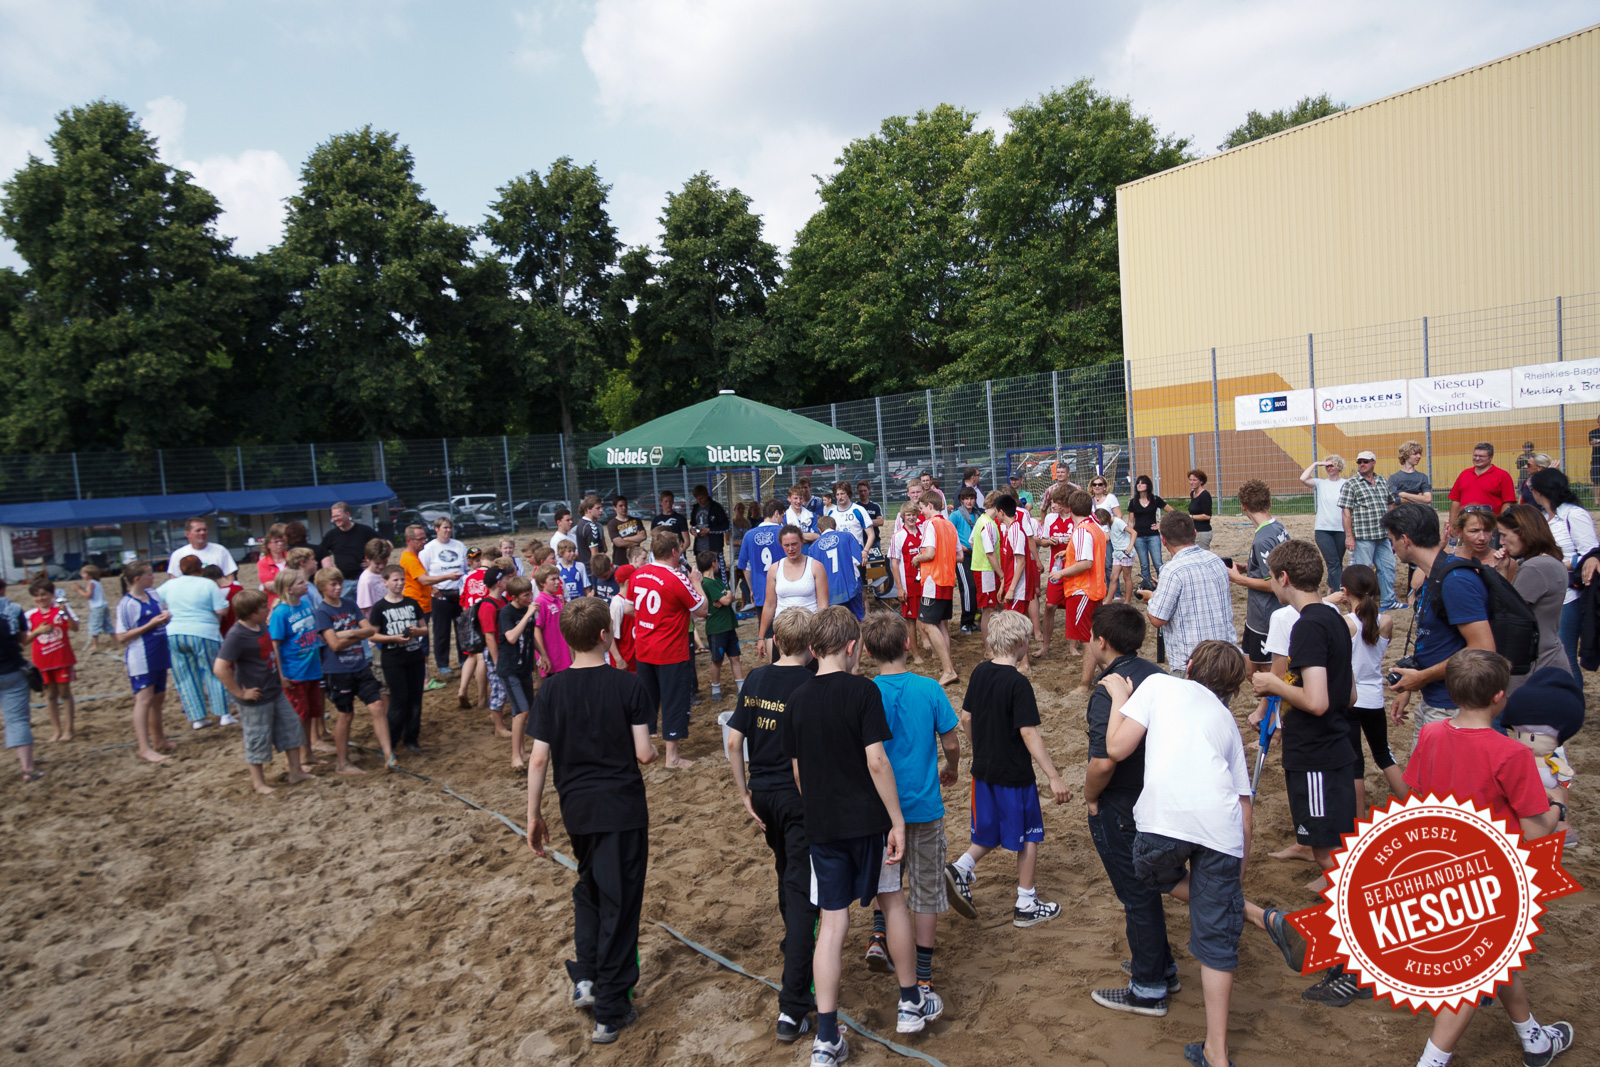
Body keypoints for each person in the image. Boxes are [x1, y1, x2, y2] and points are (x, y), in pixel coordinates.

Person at [783, 607, 941, 1067]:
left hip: (824, 826)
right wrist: (896, 820)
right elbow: (877, 761)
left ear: (813, 649)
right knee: (891, 902)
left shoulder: (797, 700)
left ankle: (826, 1036)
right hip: (869, 822)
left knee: (832, 925)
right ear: (853, 648)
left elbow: (797, 771)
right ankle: (910, 1001)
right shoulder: (863, 691)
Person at [1402, 650, 1571, 1067]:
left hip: (1443, 863)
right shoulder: (1510, 754)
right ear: (1500, 696)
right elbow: (1536, 830)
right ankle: (1432, 1061)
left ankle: (1534, 1039)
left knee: (1497, 956)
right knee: (1480, 970)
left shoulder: (1432, 734)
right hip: (1491, 874)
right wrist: (1559, 801)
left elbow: (1417, 799)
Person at [1102, 641, 1260, 1067]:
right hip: (1221, 827)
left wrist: (1121, 697)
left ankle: (1239, 908)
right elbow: (1245, 807)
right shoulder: (1226, 721)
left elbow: (1117, 748)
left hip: (1165, 820)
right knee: (1216, 941)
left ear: (1188, 665)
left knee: (1148, 872)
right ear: (1231, 687)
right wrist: (1238, 868)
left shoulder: (1159, 685)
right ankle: (1217, 1051)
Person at [526, 596, 657, 1046]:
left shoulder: (552, 690)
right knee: (619, 902)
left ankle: (586, 975)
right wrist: (653, 750)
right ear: (606, 636)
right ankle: (611, 1007)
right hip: (619, 807)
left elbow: (539, 758)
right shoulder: (628, 686)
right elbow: (643, 752)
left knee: (590, 886)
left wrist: (533, 814)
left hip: (576, 807)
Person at [1248, 540, 1360, 927]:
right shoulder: (1334, 618)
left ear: (1284, 578)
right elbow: (1349, 693)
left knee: (1327, 852)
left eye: (1272, 578)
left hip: (1316, 754)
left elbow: (1316, 701)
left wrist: (1272, 686)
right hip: (1335, 746)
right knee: (1334, 847)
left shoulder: (1307, 626)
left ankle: (1359, 928)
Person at [944, 610, 1071, 927]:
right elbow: (1028, 733)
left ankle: (961, 866)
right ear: (1019, 643)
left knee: (990, 829)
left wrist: (978, 747)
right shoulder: (1018, 684)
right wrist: (1053, 776)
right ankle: (1026, 901)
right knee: (1029, 834)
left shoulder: (979, 672)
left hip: (983, 771)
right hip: (1014, 775)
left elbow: (966, 718)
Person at [725, 607, 817, 1042]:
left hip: (764, 793)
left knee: (786, 871)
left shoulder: (757, 680)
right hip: (798, 797)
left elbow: (734, 739)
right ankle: (793, 1005)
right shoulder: (811, 682)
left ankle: (794, 944)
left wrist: (744, 793)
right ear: (811, 646)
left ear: (776, 641)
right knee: (802, 891)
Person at [1080, 603, 1175, 1017]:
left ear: (1101, 642)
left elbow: (1103, 761)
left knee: (1137, 895)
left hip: (1121, 802)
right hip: (1156, 795)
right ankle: (1160, 966)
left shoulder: (1110, 689)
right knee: (1146, 890)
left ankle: (1149, 988)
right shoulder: (1160, 677)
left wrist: (1089, 797)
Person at [863, 610, 961, 1001]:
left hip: (881, 808)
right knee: (925, 889)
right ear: (907, 644)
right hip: (922, 806)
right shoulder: (930, 689)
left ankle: (877, 935)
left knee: (887, 882)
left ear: (868, 651)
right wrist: (950, 767)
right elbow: (951, 742)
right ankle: (923, 976)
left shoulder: (866, 693)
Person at [1380, 503, 1497, 739]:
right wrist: (1412, 683)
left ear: (1405, 539)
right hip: (1434, 700)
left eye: (1392, 540)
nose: (1392, 547)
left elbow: (1483, 648)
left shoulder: (1455, 580)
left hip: (1453, 706)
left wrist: (1422, 677)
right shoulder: (1436, 575)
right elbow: (1436, 640)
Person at [1323, 564, 1408, 813]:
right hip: (1373, 696)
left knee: (1355, 763)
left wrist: (1330, 601)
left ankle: (1359, 821)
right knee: (1384, 755)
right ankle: (1415, 806)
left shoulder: (1345, 623)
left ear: (1345, 591)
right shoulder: (1386, 622)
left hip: (1350, 697)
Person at [214, 590, 315, 795]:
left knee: (292, 725)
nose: (267, 608)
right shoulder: (236, 635)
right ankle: (258, 783)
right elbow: (220, 668)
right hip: (256, 697)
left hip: (274, 688)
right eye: (262, 607)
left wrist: (279, 677)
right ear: (250, 613)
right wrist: (240, 693)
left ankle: (295, 771)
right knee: (257, 737)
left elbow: (270, 653)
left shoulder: (261, 626)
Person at [631, 529, 708, 769]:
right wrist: (697, 582)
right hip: (670, 651)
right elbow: (702, 609)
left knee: (648, 698)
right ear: (674, 552)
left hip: (644, 647)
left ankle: (644, 744)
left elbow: (634, 607)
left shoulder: (639, 573)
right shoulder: (677, 578)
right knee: (675, 701)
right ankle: (672, 757)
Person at [312, 567, 391, 772]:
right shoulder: (322, 612)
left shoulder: (348, 603)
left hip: (360, 665)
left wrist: (347, 633)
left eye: (339, 583)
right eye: (333, 585)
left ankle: (389, 755)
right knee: (345, 715)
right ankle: (342, 762)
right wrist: (357, 634)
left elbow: (370, 630)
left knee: (377, 706)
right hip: (338, 671)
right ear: (322, 588)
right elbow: (334, 646)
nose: (338, 588)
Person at [1138, 512, 1236, 675]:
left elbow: (1157, 619)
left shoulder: (1172, 570)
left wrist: (1151, 598)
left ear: (1163, 540)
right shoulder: (1215, 560)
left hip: (1193, 662)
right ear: (1195, 534)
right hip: (1226, 657)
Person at [1492, 504, 1574, 692]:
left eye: (1504, 535)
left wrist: (1498, 575)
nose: (1501, 542)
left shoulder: (1534, 568)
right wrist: (1504, 570)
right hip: (1549, 656)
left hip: (1534, 663)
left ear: (1522, 532)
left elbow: (1506, 614)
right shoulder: (1552, 561)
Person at [1527, 467, 1599, 676]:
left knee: (1564, 655)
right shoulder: (1543, 517)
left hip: (1568, 594)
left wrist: (1553, 563)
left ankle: (1572, 705)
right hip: (1544, 592)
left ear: (1540, 492)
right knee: (1546, 653)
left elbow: (1590, 555)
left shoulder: (1573, 515)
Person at [162, 555, 232, 730]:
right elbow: (222, 610)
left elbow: (157, 599)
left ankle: (197, 717)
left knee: (185, 676)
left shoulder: (170, 585)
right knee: (212, 672)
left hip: (175, 632)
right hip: (204, 631)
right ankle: (223, 713)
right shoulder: (207, 584)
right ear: (200, 568)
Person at [1228, 479, 1290, 671]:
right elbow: (1277, 566)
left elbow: (1273, 584)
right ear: (1269, 502)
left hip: (1265, 614)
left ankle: (1273, 703)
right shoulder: (1278, 528)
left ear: (1243, 506)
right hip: (1260, 615)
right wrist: (1250, 567)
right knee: (1250, 669)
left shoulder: (1262, 539)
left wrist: (1238, 579)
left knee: (1265, 672)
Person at [114, 562, 174, 763]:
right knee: (144, 700)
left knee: (159, 699)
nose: (153, 577)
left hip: (159, 653)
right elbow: (121, 636)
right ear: (137, 579)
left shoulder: (153, 595)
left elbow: (159, 617)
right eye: (149, 574)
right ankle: (144, 747)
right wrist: (151, 624)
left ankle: (159, 740)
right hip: (141, 657)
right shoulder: (127, 603)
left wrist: (166, 617)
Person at [269, 569, 327, 767]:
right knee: (298, 715)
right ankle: (299, 755)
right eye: (301, 583)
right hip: (294, 671)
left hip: (311, 667)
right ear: (289, 589)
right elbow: (275, 645)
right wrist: (282, 674)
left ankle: (308, 751)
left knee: (311, 712)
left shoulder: (304, 604)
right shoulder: (280, 613)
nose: (305, 585)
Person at [369, 564, 429, 753]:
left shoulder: (412, 603)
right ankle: (390, 742)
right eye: (395, 580)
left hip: (414, 656)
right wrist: (393, 639)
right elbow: (373, 635)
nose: (399, 583)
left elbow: (425, 628)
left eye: (402, 579)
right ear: (385, 582)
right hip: (392, 658)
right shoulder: (380, 607)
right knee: (398, 700)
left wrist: (415, 631)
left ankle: (411, 738)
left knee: (415, 699)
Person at [1055, 489, 1108, 694]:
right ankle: (1111, 674)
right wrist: (1067, 553)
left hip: (1082, 591)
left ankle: (1084, 684)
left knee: (1088, 640)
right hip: (1093, 590)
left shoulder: (1082, 531)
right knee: (1091, 636)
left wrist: (1062, 573)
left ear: (1070, 509)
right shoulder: (1094, 528)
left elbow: (1086, 562)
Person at [757, 525, 829, 660]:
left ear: (802, 542)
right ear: (781, 545)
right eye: (786, 545)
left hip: (809, 630)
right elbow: (769, 605)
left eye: (794, 544)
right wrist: (761, 637)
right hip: (782, 631)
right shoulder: (774, 569)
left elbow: (823, 606)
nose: (790, 549)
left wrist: (820, 634)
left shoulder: (816, 567)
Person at [1340, 449, 1398, 610]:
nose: (1362, 464)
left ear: (1373, 462)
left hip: (1382, 535)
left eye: (1365, 461)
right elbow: (1346, 511)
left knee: (1388, 567)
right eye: (1359, 462)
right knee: (1363, 571)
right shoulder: (1351, 484)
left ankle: (1388, 601)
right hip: (1363, 536)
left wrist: (1392, 530)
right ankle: (1362, 603)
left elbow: (1390, 504)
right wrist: (1349, 536)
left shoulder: (1381, 481)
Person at [913, 490, 960, 686]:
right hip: (947, 578)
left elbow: (930, 553)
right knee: (940, 624)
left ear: (930, 506)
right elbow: (959, 556)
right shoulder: (949, 525)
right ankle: (947, 667)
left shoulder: (931, 524)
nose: (921, 512)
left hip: (934, 579)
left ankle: (948, 669)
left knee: (926, 624)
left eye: (922, 508)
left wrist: (917, 558)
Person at [25, 577, 79, 742]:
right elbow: (24, 641)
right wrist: (37, 631)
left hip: (62, 658)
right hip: (42, 661)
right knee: (50, 696)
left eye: (43, 594)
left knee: (65, 693)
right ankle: (56, 730)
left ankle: (69, 729)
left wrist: (66, 612)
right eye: (36, 595)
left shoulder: (61, 609)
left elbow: (75, 628)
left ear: (51, 594)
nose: (40, 598)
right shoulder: (30, 615)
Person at [418, 517, 467, 683]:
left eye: (450, 528)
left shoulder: (459, 545)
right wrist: (432, 588)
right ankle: (443, 664)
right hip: (440, 594)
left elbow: (466, 568)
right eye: (445, 528)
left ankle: (464, 659)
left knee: (462, 629)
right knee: (441, 631)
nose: (448, 531)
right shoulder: (429, 549)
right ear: (436, 528)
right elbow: (422, 575)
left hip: (458, 593)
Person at [499, 575, 540, 770]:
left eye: (530, 593)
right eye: (525, 595)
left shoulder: (527, 610)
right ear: (514, 597)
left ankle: (522, 750)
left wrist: (544, 655)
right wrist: (527, 615)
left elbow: (531, 635)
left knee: (526, 711)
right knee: (521, 711)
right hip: (510, 669)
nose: (530, 598)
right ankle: (515, 755)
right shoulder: (506, 612)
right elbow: (512, 637)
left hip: (524, 668)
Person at [0, 580, 39, 781]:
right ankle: (28, 769)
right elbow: (22, 641)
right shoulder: (14, 609)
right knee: (17, 720)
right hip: (10, 669)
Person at [696, 551, 741, 701]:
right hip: (717, 628)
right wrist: (727, 597)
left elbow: (730, 598)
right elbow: (728, 600)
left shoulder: (716, 580)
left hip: (727, 626)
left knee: (735, 657)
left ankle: (741, 686)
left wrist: (726, 596)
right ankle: (715, 689)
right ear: (713, 563)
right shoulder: (707, 583)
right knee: (717, 660)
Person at [1300, 454, 1347, 591]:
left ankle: (1331, 587)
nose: (1329, 468)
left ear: (1339, 466)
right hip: (1323, 529)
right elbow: (1303, 478)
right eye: (1326, 466)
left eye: (1331, 465)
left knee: (1337, 562)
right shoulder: (1321, 483)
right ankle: (1339, 591)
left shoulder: (1346, 483)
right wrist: (1315, 464)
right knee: (1332, 563)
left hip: (1341, 528)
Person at [736, 498, 785, 629]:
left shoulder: (749, 535)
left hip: (760, 590)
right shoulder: (784, 532)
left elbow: (745, 567)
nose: (782, 520)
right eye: (782, 516)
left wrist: (751, 589)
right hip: (783, 590)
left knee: (767, 631)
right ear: (776, 513)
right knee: (786, 632)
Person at [475, 566, 512, 739]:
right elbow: (489, 637)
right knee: (499, 690)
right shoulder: (488, 606)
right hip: (496, 652)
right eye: (505, 578)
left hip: (503, 650)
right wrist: (497, 662)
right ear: (499, 582)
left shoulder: (501, 601)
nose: (508, 580)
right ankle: (499, 727)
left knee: (505, 688)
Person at [1448, 441, 1517, 534]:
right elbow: (1455, 500)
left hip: (1489, 527)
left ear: (1490, 457)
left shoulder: (1503, 475)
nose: (1477, 458)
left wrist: (1499, 523)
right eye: (1475, 455)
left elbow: (1508, 502)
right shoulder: (1464, 474)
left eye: (1481, 456)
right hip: (1466, 526)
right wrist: (1453, 523)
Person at [315, 502, 379, 597]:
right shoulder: (331, 535)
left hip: (363, 580)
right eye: (333, 516)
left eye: (338, 516)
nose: (335, 519)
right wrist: (328, 567)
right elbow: (320, 553)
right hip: (342, 583)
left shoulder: (364, 531)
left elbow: (386, 545)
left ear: (347, 514)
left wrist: (374, 562)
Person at [809, 516, 866, 620]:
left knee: (834, 625)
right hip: (850, 588)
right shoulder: (847, 536)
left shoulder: (813, 547)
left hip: (828, 593)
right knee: (858, 621)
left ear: (819, 530)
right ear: (835, 526)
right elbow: (859, 562)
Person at [1127, 475, 1170, 589]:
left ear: (1148, 485)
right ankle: (1147, 587)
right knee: (1144, 564)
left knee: (1158, 562)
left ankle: (1163, 585)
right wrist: (1130, 535)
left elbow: (1171, 512)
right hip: (1139, 537)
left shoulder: (1155, 499)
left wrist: (1161, 525)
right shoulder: (1133, 502)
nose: (1139, 485)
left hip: (1153, 536)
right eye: (1138, 483)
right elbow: (1131, 521)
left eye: (1142, 483)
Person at [970, 491, 1003, 634]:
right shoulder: (988, 524)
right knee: (988, 609)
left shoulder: (981, 520)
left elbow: (971, 541)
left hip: (983, 569)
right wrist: (1001, 573)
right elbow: (990, 553)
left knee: (990, 607)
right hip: (986, 571)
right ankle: (988, 649)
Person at [166, 516, 238, 578]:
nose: (202, 533)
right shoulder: (178, 554)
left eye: (204, 530)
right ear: (188, 534)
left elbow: (229, 576)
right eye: (198, 530)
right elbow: (174, 579)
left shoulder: (220, 550)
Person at [950, 486, 980, 633]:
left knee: (976, 587)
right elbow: (950, 534)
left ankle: (973, 620)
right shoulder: (956, 515)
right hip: (962, 556)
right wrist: (961, 547)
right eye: (966, 499)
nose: (969, 501)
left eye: (971, 498)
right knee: (968, 588)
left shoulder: (978, 514)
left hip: (976, 555)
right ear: (961, 500)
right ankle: (965, 622)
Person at [534, 563, 572, 678]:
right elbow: (536, 629)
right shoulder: (540, 602)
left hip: (563, 655)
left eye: (558, 578)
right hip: (551, 656)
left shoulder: (557, 600)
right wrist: (542, 655)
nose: (557, 582)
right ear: (542, 583)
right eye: (553, 579)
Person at [823, 481, 875, 556]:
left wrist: (865, 551)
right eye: (837, 494)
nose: (840, 497)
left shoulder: (859, 510)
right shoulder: (831, 513)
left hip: (856, 553)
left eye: (842, 494)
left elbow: (871, 534)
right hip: (838, 554)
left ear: (848, 493)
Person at [689, 485, 730, 576]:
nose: (699, 501)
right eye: (697, 498)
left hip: (714, 548)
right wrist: (693, 530)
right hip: (700, 548)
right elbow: (692, 524)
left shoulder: (716, 507)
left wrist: (710, 530)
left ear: (706, 495)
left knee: (718, 575)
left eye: (701, 498)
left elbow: (726, 526)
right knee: (703, 576)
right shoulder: (696, 508)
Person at [1100, 506, 1135, 605]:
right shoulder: (1109, 524)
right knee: (1113, 577)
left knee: (1126, 576)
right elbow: (1111, 537)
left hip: (1125, 553)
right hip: (1117, 553)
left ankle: (1127, 601)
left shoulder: (1118, 522)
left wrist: (1130, 546)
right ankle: (1108, 600)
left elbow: (1133, 532)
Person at [74, 564, 110, 656]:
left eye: (83, 573)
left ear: (89, 575)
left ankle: (95, 645)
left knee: (94, 626)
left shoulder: (91, 583)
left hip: (97, 607)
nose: (81, 574)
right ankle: (115, 642)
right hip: (103, 605)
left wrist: (78, 590)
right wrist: (82, 588)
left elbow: (88, 595)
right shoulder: (97, 582)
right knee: (107, 624)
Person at [605, 496, 647, 567]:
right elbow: (618, 543)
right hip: (620, 560)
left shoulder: (636, 520)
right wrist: (636, 542)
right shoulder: (612, 523)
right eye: (621, 506)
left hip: (636, 560)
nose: (624, 508)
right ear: (614, 508)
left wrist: (625, 538)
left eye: (625, 505)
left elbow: (643, 536)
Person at [356, 538, 390, 621]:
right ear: (367, 559)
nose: (381, 566)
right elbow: (362, 609)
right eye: (377, 563)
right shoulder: (366, 580)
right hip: (376, 622)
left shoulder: (388, 573)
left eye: (384, 562)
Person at [573, 495, 608, 571]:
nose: (601, 510)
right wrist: (597, 570)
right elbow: (594, 553)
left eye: (601, 507)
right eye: (597, 508)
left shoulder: (581, 523)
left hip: (584, 567)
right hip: (592, 570)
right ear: (588, 509)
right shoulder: (591, 527)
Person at [256, 525, 290, 604]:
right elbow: (268, 586)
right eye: (276, 542)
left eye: (281, 541)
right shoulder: (263, 563)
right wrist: (290, 584)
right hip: (274, 602)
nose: (280, 544)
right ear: (268, 545)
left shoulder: (290, 557)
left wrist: (277, 584)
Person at [650, 491, 689, 557]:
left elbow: (687, 541)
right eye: (666, 501)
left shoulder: (680, 518)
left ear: (673, 502)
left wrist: (679, 553)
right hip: (661, 554)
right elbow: (653, 540)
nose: (668, 504)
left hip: (677, 552)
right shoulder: (656, 520)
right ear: (661, 502)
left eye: (670, 501)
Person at [1185, 470, 1212, 552]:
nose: (1191, 482)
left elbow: (1207, 516)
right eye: (1190, 480)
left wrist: (1191, 517)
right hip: (1194, 530)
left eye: (1194, 480)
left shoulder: (1205, 495)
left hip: (1203, 531)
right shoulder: (1192, 493)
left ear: (1201, 481)